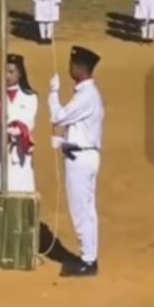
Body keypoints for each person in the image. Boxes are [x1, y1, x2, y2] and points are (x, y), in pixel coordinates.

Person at [49, 46, 104, 277]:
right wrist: (63, 142)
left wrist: (53, 93)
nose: (69, 68)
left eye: (72, 65)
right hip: (82, 154)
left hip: (81, 159)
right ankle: (88, 257)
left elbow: (57, 117)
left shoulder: (86, 96)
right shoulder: (88, 94)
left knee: (82, 210)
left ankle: (88, 260)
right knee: (86, 210)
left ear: (81, 69)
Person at [0, 54, 38, 192]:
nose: (7, 75)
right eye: (5, 71)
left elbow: (28, 121)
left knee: (21, 190)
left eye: (11, 72)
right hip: (0, 151)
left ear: (20, 73)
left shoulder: (30, 97)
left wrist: (14, 129)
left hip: (19, 152)